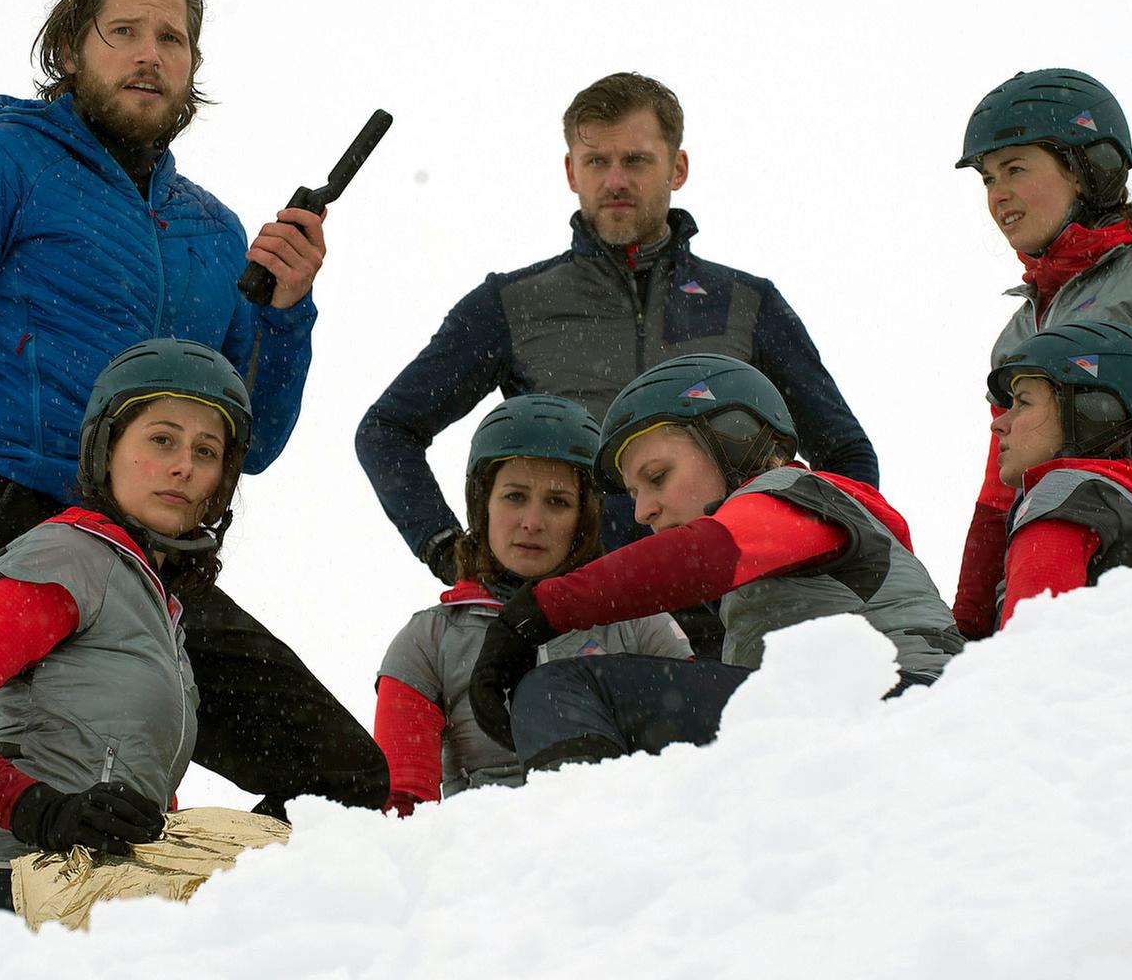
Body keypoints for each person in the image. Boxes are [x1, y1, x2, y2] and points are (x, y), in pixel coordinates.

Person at [0, 0, 387, 940]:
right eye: (124, 31)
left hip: (147, 547)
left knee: (341, 778)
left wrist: (286, 312)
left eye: (171, 38)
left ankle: (206, 931)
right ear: (70, 48)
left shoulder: (213, 231)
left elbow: (245, 443)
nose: (150, 54)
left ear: (194, 67)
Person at [355, 73, 877, 631]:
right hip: (573, 623)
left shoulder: (748, 304)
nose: (615, 181)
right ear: (570, 171)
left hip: (733, 620)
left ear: (678, 168)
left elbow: (847, 458)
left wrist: (804, 564)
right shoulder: (509, 304)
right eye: (597, 162)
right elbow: (387, 429)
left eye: (636, 160)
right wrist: (446, 547)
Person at [0, 339, 243, 938]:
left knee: (278, 872)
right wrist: (41, 811)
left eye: (206, 451)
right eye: (161, 439)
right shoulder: (69, 555)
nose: (184, 466)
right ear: (106, 451)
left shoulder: (160, 612)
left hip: (85, 894)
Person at [465, 355, 961, 772]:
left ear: (734, 437)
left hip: (898, 710)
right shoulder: (804, 531)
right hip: (879, 724)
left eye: (657, 477)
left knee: (558, 687)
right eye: (634, 493)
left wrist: (537, 613)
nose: (641, 511)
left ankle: (593, 843)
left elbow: (703, 555)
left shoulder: (792, 492)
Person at [950, 68, 1132, 639]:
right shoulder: (1019, 332)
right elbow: (996, 496)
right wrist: (965, 631)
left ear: (1087, 172)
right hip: (1042, 563)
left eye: (1015, 169)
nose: (997, 194)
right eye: (987, 179)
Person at [372, 395, 691, 813]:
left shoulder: (639, 622)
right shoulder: (427, 640)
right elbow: (401, 808)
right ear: (482, 505)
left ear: (584, 518)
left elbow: (694, 766)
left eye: (558, 502)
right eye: (515, 496)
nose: (532, 522)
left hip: (619, 845)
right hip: (485, 858)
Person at [987, 322, 1132, 629]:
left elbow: (1028, 653)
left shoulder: (1066, 494)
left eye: (1023, 402)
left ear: (1093, 410)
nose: (999, 424)